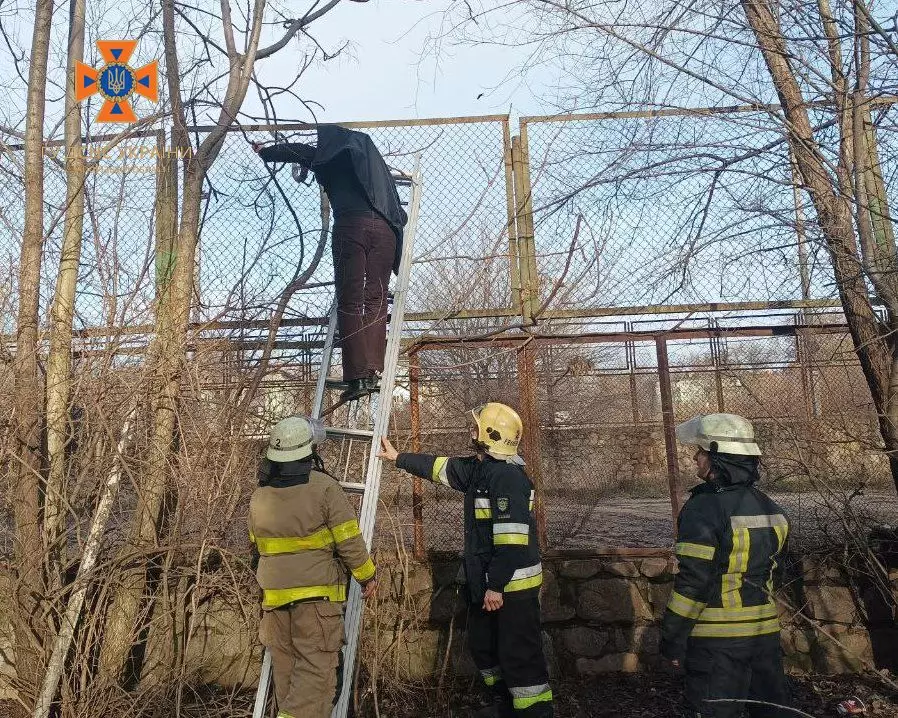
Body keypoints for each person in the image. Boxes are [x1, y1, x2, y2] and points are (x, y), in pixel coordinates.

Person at [378, 402, 553, 718]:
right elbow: (441, 467)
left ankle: (535, 712)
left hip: (511, 587)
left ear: (489, 435)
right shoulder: (480, 468)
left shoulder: (509, 479)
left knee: (519, 656)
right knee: (484, 647)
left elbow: (512, 542)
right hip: (487, 583)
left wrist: (496, 586)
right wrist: (398, 459)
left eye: (476, 426)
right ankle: (506, 707)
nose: (470, 430)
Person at [254, 125, 408, 404]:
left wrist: (265, 151)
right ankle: (373, 371)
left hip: (351, 227)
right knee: (376, 300)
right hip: (386, 233)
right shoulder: (375, 170)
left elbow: (298, 152)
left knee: (350, 301)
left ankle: (358, 375)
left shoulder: (332, 159)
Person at [661, 413, 792, 718]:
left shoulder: (704, 509)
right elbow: (778, 573)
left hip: (716, 645)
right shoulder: (771, 507)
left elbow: (693, 583)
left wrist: (672, 638)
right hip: (764, 637)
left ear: (719, 459)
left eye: (702, 451)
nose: (695, 458)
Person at [249, 415, 377, 718]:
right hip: (316, 605)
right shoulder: (324, 488)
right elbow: (348, 540)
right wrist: (367, 575)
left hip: (274, 604)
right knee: (317, 681)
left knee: (289, 678)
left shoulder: (259, 496)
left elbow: (256, 548)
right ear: (308, 451)